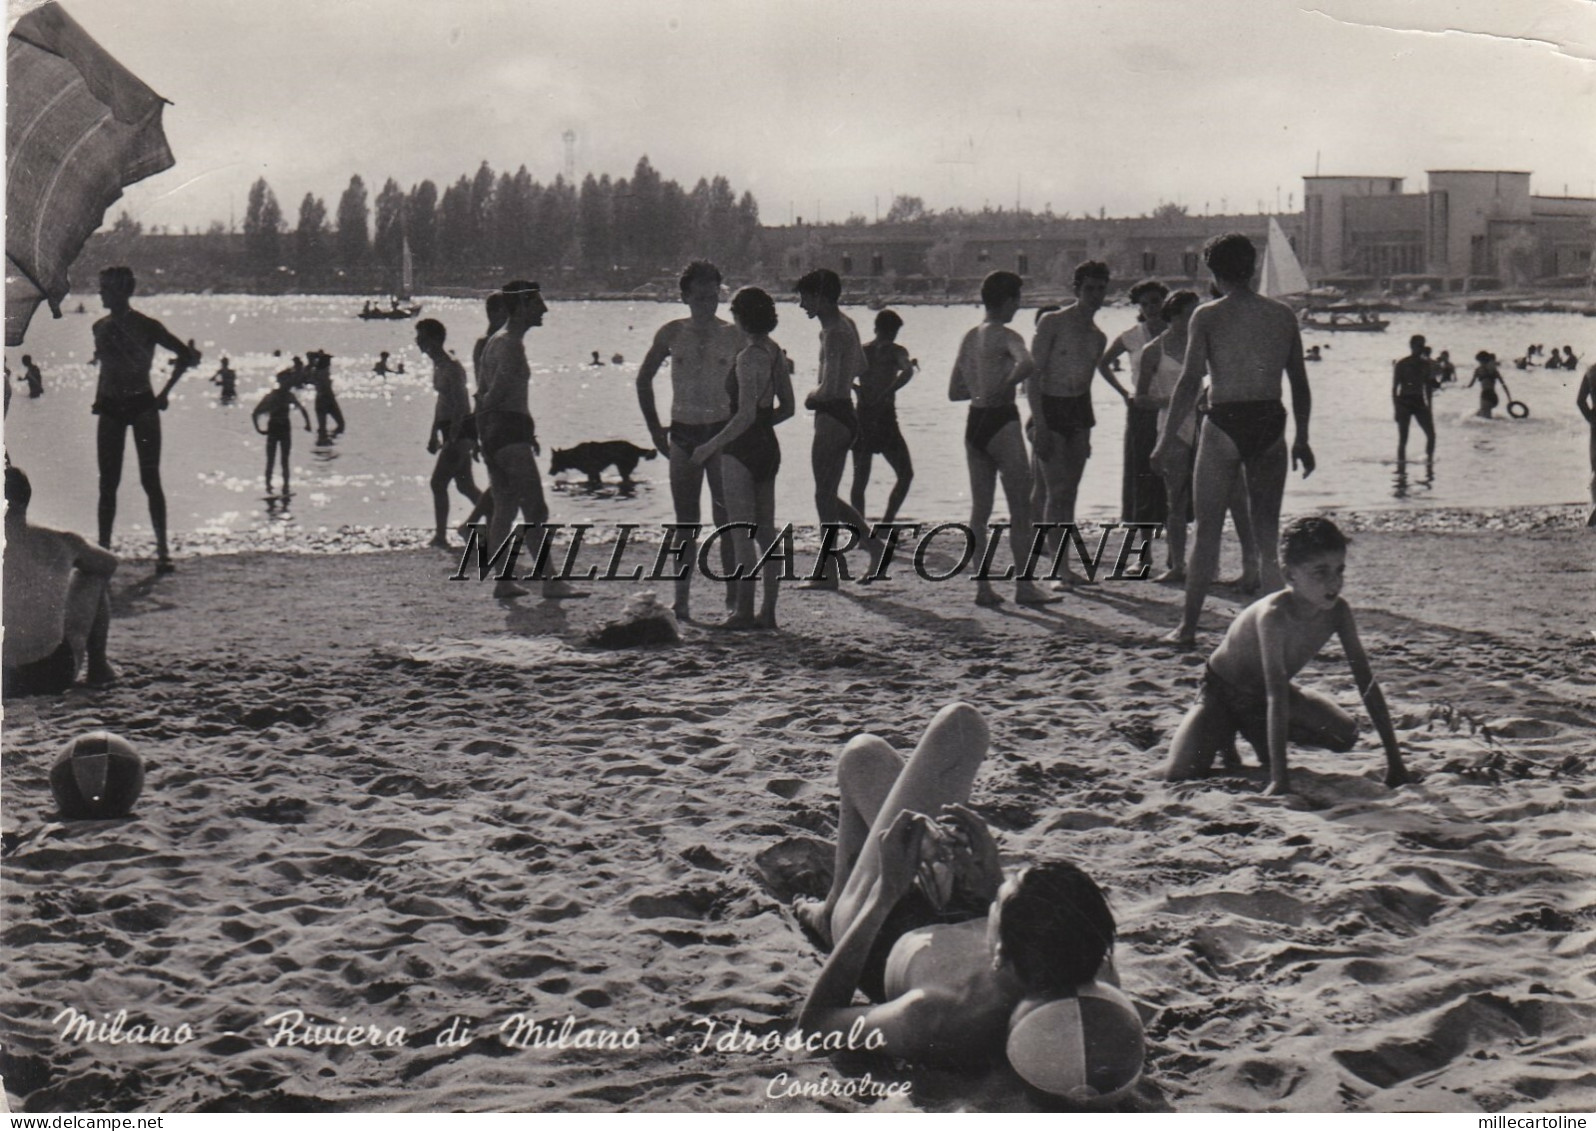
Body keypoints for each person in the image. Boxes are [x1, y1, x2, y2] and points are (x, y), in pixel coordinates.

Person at [795, 703, 1123, 1078]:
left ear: (998, 951)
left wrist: (885, 894)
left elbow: (815, 1025)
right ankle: (849, 896)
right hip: (948, 924)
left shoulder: (933, 1013)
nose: (997, 889)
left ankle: (834, 911)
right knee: (914, 750)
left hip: (881, 925)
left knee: (865, 754)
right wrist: (989, 883)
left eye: (999, 900)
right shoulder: (1088, 965)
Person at [1164, 517, 1412, 796]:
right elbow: (1276, 694)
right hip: (1222, 692)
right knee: (1180, 772)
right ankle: (1226, 730)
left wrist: (1395, 762)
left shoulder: (1338, 612)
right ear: (1290, 574)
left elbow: (1366, 681)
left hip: (1263, 699)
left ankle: (1251, 729)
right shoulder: (1273, 616)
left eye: (1339, 570)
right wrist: (1279, 780)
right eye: (1320, 572)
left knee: (1344, 735)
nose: (1334, 582)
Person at [1152, 233, 1314, 647]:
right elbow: (1299, 381)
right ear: (1254, 267)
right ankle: (1280, 632)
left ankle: (1187, 628)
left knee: (1207, 531)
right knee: (1265, 531)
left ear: (1213, 273)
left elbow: (1190, 381)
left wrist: (1168, 438)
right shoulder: (1282, 315)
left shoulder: (1206, 316)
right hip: (1269, 418)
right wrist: (1303, 438)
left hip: (1224, 418)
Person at [635, 261, 744, 619]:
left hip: (720, 431)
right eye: (699, 298)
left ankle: (732, 599)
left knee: (726, 520)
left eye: (713, 297)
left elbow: (757, 382)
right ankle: (681, 600)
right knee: (686, 522)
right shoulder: (671, 333)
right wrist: (654, 428)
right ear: (684, 296)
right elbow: (643, 379)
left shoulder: (734, 334)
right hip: (681, 430)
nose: (707, 305)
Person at [951, 272, 1060, 608]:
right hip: (1001, 419)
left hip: (975, 420)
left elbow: (955, 391)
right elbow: (1028, 363)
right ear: (1010, 301)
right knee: (1020, 508)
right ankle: (1024, 586)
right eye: (1017, 301)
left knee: (980, 511)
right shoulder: (1007, 334)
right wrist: (1003, 385)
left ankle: (983, 588)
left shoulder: (969, 337)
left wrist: (982, 387)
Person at [690, 287, 796, 629]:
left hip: (742, 449)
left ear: (740, 317)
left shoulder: (748, 355)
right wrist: (763, 426)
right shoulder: (776, 352)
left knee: (741, 533)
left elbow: (744, 415)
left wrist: (709, 446)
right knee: (765, 532)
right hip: (768, 445)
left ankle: (743, 612)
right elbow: (788, 408)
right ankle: (769, 611)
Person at [476, 280, 584, 600]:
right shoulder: (510, 344)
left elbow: (490, 394)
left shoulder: (496, 341)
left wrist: (492, 435)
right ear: (521, 306)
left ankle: (504, 581)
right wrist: (512, 428)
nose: (544, 309)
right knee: (535, 509)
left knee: (506, 508)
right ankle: (551, 582)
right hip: (508, 433)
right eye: (537, 303)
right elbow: (496, 395)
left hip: (500, 433)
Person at [90, 265, 202, 571]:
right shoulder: (99, 327)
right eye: (101, 288)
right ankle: (103, 550)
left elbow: (189, 356)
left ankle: (163, 551)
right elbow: (107, 368)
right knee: (107, 483)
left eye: (105, 288)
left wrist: (165, 393)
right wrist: (99, 398)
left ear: (122, 291)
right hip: (110, 407)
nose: (100, 293)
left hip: (142, 406)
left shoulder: (147, 326)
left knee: (150, 479)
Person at [1030, 262, 1131, 590]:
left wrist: (1087, 432)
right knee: (1055, 491)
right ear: (1076, 289)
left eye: (1101, 289)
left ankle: (1066, 567)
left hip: (1079, 413)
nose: (1095, 295)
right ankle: (1058, 570)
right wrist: (1040, 424)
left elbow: (1086, 386)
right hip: (1050, 407)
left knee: (1069, 494)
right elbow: (1034, 376)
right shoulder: (1052, 322)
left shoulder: (1098, 337)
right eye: (1089, 288)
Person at [796, 268, 887, 588]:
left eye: (805, 298)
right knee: (827, 494)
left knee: (823, 495)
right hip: (845, 414)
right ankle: (871, 545)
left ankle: (830, 570)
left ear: (820, 297)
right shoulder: (845, 323)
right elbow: (859, 366)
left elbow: (831, 386)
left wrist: (809, 396)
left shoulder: (833, 331)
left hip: (832, 414)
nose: (801, 305)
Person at [4, 466, 118, 696]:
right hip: (49, 674)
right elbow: (108, 563)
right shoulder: (58, 539)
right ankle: (99, 668)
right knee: (94, 575)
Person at [1140, 290, 1202, 582]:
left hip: (1204, 420)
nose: (1195, 319)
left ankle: (1205, 563)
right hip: (1171, 424)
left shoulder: (1202, 345)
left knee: (1208, 496)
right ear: (1174, 316)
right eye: (1190, 313)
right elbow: (1140, 398)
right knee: (1175, 498)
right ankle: (1177, 566)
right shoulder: (1154, 349)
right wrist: (1172, 402)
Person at [1101, 280, 1169, 526]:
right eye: (1145, 303)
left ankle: (1175, 550)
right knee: (1142, 474)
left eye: (1155, 301)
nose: (1151, 308)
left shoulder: (1177, 332)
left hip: (1172, 408)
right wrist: (1123, 393)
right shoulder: (1131, 336)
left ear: (1164, 301)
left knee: (1173, 474)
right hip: (1142, 409)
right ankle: (1144, 551)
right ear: (1138, 307)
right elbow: (1102, 363)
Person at [417, 319, 483, 549]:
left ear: (435, 340)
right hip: (449, 429)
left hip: (460, 430)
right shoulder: (438, 366)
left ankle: (441, 536)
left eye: (422, 337)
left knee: (438, 483)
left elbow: (461, 404)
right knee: (465, 486)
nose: (419, 342)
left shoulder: (452, 366)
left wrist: (454, 436)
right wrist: (433, 433)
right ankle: (497, 523)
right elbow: (442, 402)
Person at [848, 309, 916, 524]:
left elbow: (844, 374)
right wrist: (889, 390)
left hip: (864, 417)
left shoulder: (862, 351)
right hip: (884, 418)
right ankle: (886, 523)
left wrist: (857, 390)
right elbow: (908, 371)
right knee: (905, 475)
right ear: (894, 332)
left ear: (876, 328)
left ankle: (862, 531)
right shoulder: (896, 351)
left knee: (860, 481)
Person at [459, 292, 510, 536]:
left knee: (501, 478)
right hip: (491, 414)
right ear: (496, 313)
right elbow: (484, 384)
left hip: (499, 413)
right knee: (504, 477)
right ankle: (475, 525)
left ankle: (483, 528)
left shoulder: (499, 340)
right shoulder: (487, 342)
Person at [252, 371, 312, 494]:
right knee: (274, 460)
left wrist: (308, 423)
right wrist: (258, 429)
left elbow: (302, 409)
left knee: (282, 460)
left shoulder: (285, 396)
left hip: (281, 428)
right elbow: (255, 412)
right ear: (281, 382)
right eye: (287, 380)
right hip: (277, 428)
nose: (289, 383)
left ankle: (282, 488)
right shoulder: (277, 396)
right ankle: (270, 487)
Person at [1392, 334, 1436, 461]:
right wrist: (1396, 409)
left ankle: (1429, 462)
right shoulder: (1402, 364)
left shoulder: (1425, 365)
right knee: (1403, 438)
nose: (1421, 349)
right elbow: (1395, 388)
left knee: (1431, 435)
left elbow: (1428, 387)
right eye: (1418, 346)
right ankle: (1401, 468)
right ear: (1411, 346)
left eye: (1422, 346)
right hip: (1404, 402)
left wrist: (1430, 408)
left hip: (1419, 401)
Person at [305, 351, 345, 441]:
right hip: (327, 400)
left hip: (321, 400)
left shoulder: (317, 372)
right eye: (328, 361)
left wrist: (311, 362)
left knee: (323, 427)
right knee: (340, 424)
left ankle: (325, 440)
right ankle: (328, 440)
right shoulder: (321, 372)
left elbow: (308, 377)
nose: (330, 363)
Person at [1576, 363, 1596, 527]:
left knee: (1595, 466)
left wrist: (1591, 419)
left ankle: (1595, 503)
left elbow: (1580, 401)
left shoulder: (1591, 371)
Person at [1467, 351, 1506, 419]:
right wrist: (1510, 399)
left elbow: (1470, 385)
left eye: (1479, 361)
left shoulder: (1478, 370)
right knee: (1479, 415)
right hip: (1494, 398)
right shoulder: (1494, 370)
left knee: (1485, 419)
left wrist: (1463, 387)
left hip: (1485, 396)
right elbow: (1503, 384)